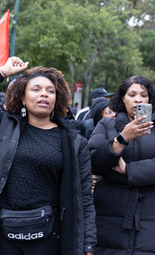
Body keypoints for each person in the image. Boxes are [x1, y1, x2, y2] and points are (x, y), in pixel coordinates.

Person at [0, 66, 96, 255]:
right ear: (22, 97)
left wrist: (88, 245)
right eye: (36, 89)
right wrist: (3, 73)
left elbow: (83, 196)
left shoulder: (74, 141)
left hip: (49, 236)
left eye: (50, 91)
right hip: (5, 235)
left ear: (57, 99)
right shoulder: (4, 127)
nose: (44, 94)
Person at [88, 75, 155, 254]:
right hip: (111, 213)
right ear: (122, 99)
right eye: (132, 94)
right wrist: (122, 138)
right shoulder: (106, 125)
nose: (138, 99)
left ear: (150, 100)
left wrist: (129, 170)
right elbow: (93, 162)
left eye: (143, 95)